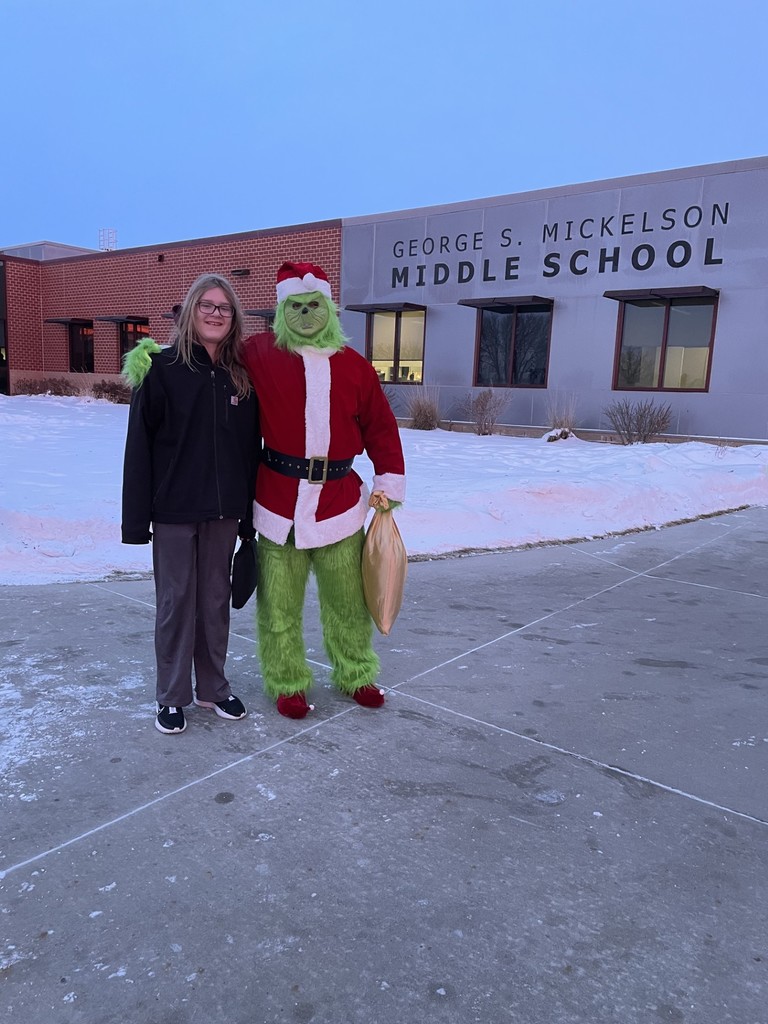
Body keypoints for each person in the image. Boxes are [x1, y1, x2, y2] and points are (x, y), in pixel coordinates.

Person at [242, 261, 405, 719]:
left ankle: (356, 673)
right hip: (278, 506)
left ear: (330, 310)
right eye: (296, 306)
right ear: (281, 310)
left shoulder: (355, 368)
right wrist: (157, 359)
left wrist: (388, 481)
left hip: (340, 507)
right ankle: (287, 681)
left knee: (348, 605)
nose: (306, 313)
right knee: (278, 608)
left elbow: (382, 429)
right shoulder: (258, 352)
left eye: (315, 306)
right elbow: (208, 358)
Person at [121, 273, 260, 734]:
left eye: (224, 307)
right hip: (175, 510)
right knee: (176, 601)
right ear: (190, 311)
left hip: (224, 511)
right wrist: (136, 522)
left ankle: (213, 689)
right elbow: (138, 447)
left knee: (215, 600)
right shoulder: (160, 368)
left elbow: (248, 450)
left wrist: (248, 518)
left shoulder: (239, 376)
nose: (216, 313)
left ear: (233, 317)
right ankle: (172, 694)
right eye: (207, 305)